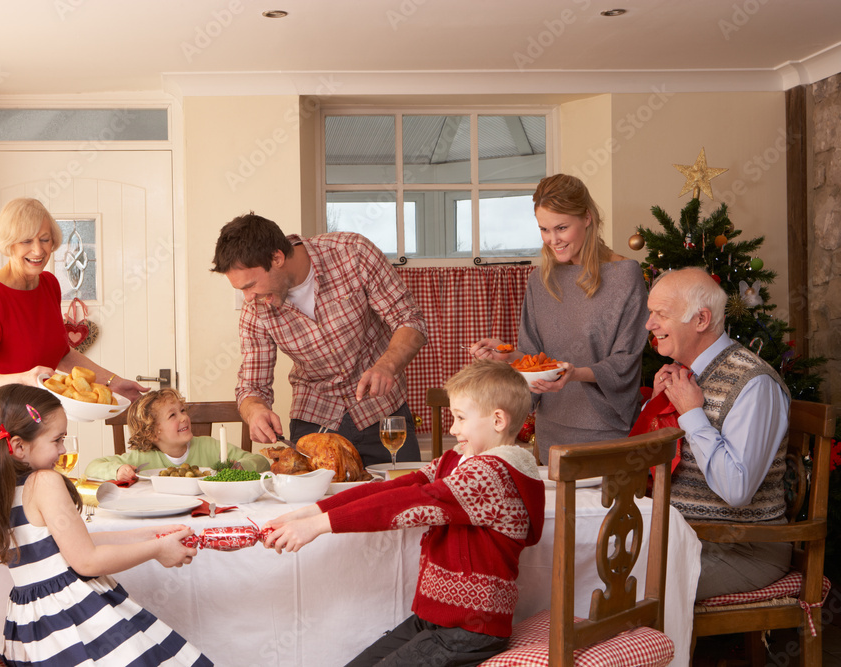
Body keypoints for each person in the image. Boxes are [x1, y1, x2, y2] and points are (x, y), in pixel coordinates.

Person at [261, 360, 545, 666]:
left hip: (471, 632)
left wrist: (319, 525)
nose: (453, 428)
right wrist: (311, 511)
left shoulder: (492, 475)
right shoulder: (455, 460)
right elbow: (394, 489)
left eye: (461, 418)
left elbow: (409, 502)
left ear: (498, 420)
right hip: (434, 619)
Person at [0, 384, 212, 666]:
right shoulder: (44, 482)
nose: (63, 449)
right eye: (57, 440)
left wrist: (148, 536)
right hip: (70, 623)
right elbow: (87, 561)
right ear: (18, 446)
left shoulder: (1, 488)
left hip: (34, 632)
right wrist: (156, 550)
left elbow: (67, 547)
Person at [211, 212, 428, 467]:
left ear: (277, 258)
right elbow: (252, 387)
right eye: (241, 290)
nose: (247, 298)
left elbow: (409, 319)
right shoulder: (255, 310)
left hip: (382, 414)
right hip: (315, 421)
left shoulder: (353, 254)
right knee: (317, 505)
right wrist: (255, 411)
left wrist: (388, 365)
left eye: (250, 285)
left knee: (404, 499)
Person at [470, 174, 648, 463]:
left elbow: (625, 361)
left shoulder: (624, 275)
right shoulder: (540, 280)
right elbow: (534, 357)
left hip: (606, 433)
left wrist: (575, 374)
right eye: (544, 229)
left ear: (587, 218)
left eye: (562, 228)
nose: (553, 240)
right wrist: (510, 355)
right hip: (550, 430)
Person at [0, 197, 146, 472]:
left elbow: (62, 354)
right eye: (26, 241)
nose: (38, 250)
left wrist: (113, 382)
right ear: (8, 243)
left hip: (38, 429)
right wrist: (26, 379)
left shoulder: (48, 285)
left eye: (45, 239)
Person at [645, 266, 791, 600]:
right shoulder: (681, 376)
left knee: (632, 589)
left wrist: (693, 414)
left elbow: (737, 489)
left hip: (743, 549)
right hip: (683, 537)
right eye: (651, 313)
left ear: (700, 320)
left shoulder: (754, 383)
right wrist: (655, 409)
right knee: (595, 566)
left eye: (661, 315)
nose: (649, 325)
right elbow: (649, 466)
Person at [85, 388, 270, 482]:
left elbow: (261, 462)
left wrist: (242, 467)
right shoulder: (141, 458)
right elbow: (92, 467)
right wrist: (118, 471)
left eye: (182, 410)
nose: (184, 417)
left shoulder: (209, 446)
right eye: (173, 415)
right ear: (151, 432)